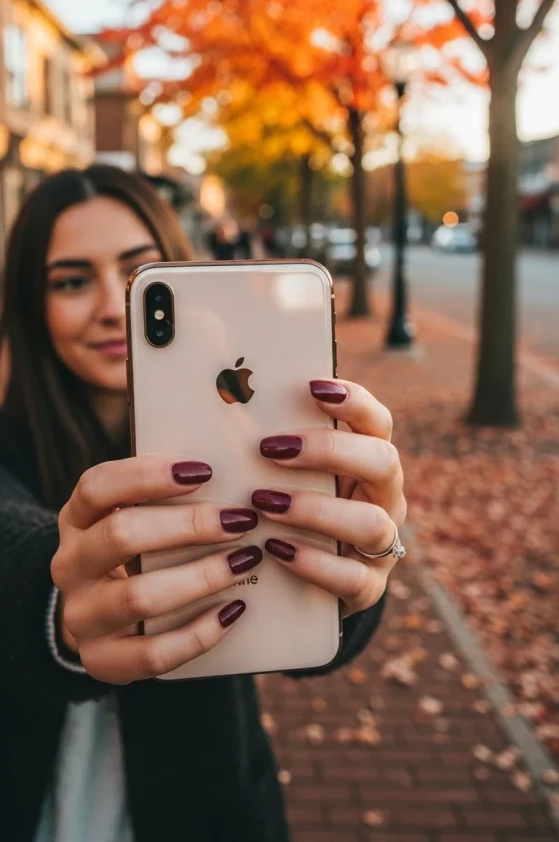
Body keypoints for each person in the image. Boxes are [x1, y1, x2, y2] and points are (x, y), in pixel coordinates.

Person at [0, 164, 406, 842]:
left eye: (138, 273)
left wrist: (359, 572)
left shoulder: (252, 423)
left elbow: (317, 618)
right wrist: (60, 604)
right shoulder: (11, 437)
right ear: (26, 306)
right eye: (71, 280)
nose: (110, 304)